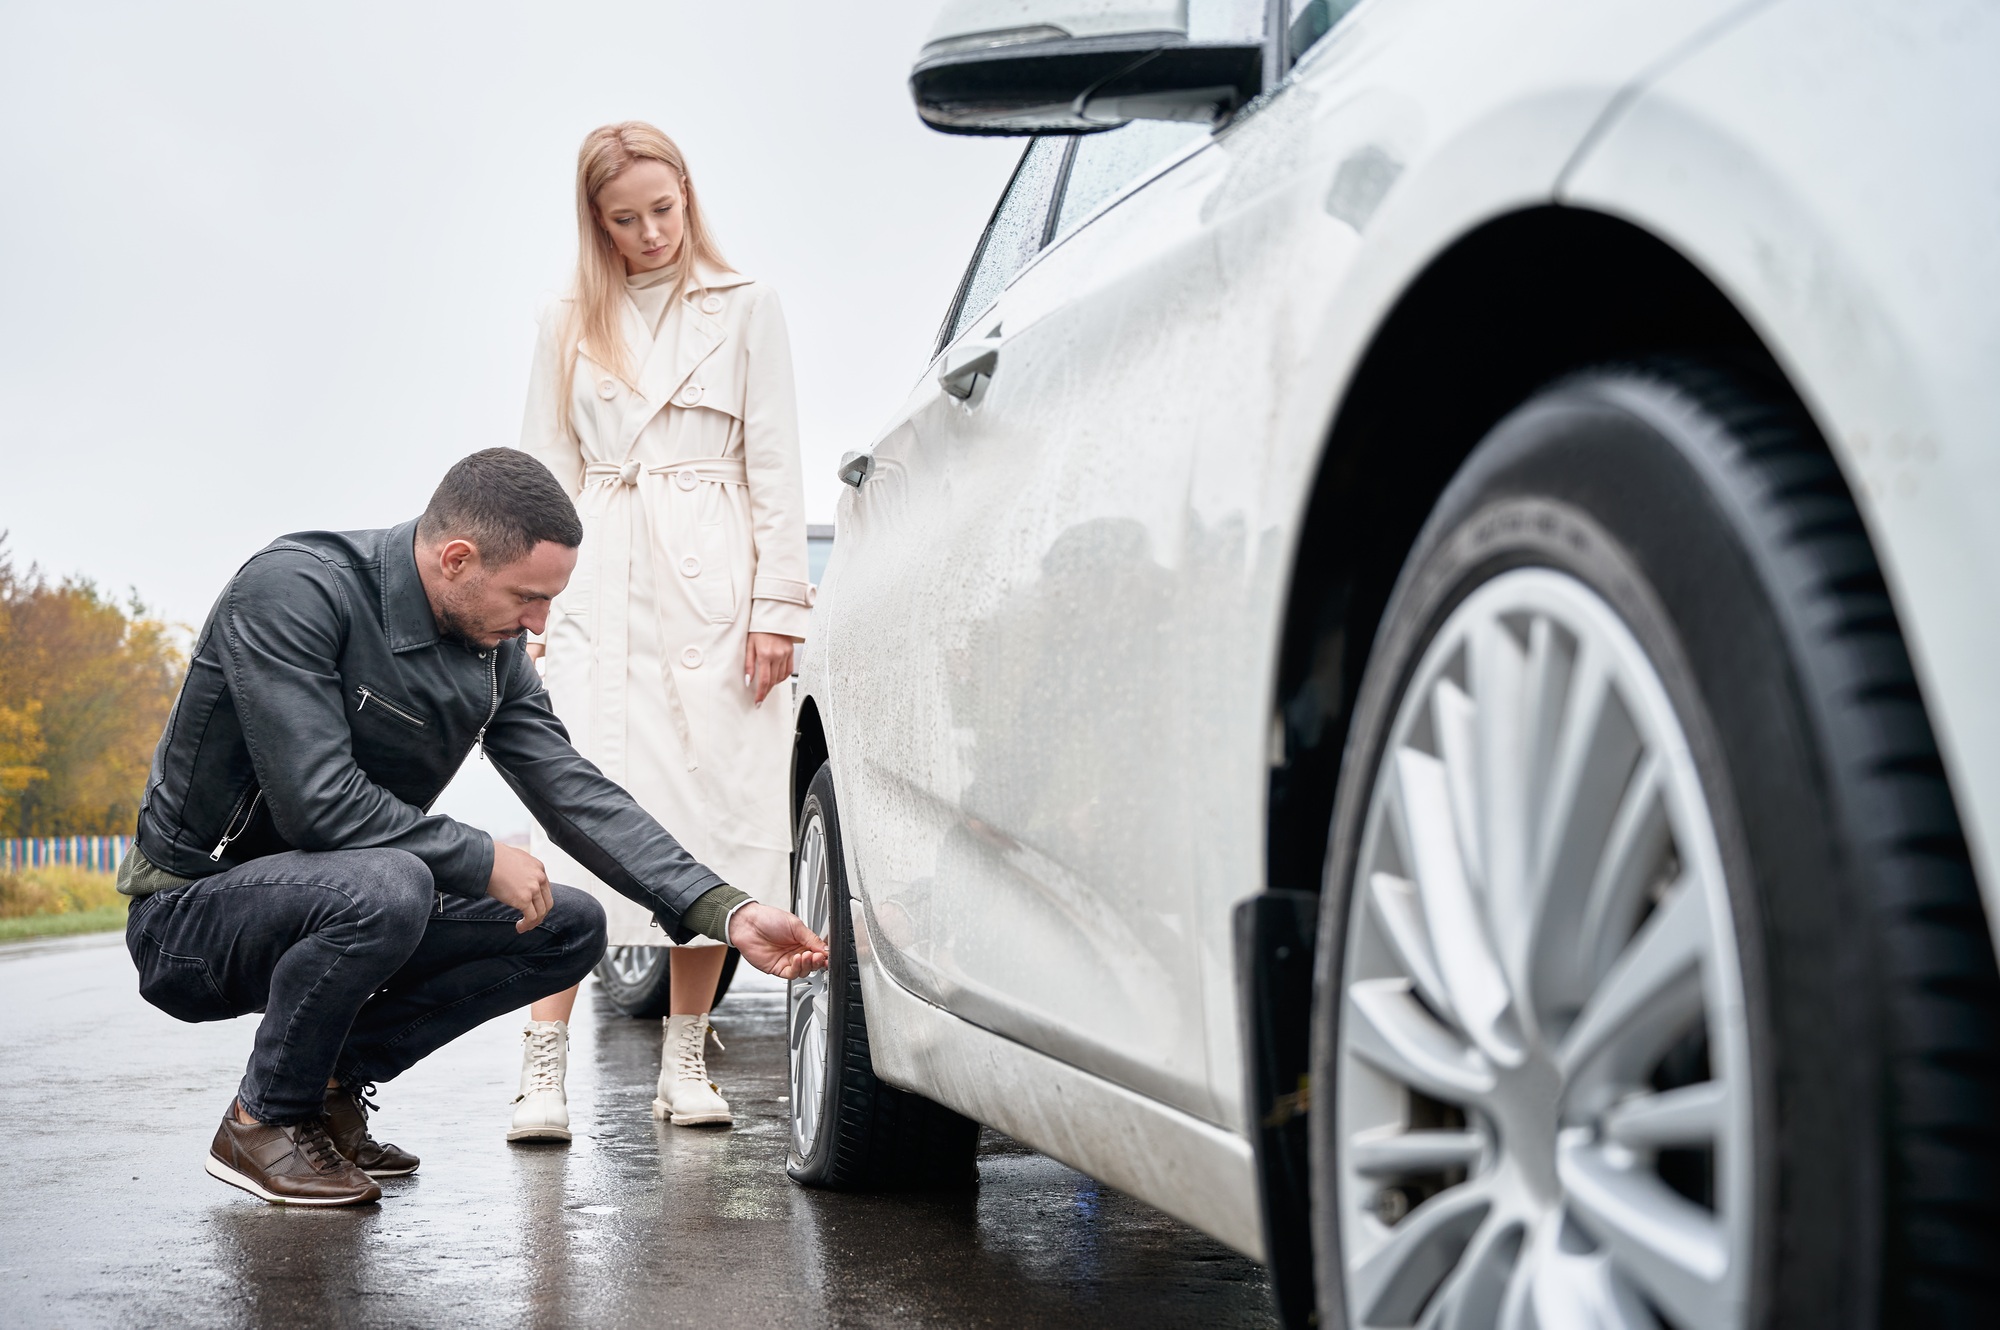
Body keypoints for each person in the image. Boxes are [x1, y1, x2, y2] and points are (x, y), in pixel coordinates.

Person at [118, 449, 828, 1207]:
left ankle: (322, 1085)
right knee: (392, 884)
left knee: (569, 926)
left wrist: (725, 908)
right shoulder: (295, 589)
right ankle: (261, 1121)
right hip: (192, 914)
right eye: (528, 597)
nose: (539, 623)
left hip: (346, 894)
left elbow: (575, 793)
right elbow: (316, 803)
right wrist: (481, 855)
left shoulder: (495, 654)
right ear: (457, 558)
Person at [509, 121, 812, 1139]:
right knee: (582, 818)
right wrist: (529, 607)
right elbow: (539, 473)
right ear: (596, 222)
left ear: (689, 196)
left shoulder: (746, 306)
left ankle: (686, 1061)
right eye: (625, 218)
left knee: (707, 821)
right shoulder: (565, 319)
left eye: (663, 210)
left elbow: (777, 469)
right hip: (600, 577)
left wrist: (778, 608)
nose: (649, 234)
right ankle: (541, 1070)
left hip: (714, 584)